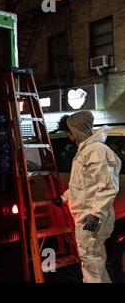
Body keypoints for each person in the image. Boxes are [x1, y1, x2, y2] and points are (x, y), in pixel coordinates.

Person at [55, 111, 121, 283]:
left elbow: (108, 187)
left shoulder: (95, 152)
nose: (69, 136)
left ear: (76, 130)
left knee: (91, 261)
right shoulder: (87, 151)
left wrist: (95, 215)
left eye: (69, 131)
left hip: (91, 218)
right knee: (93, 259)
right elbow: (83, 186)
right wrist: (64, 197)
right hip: (88, 217)